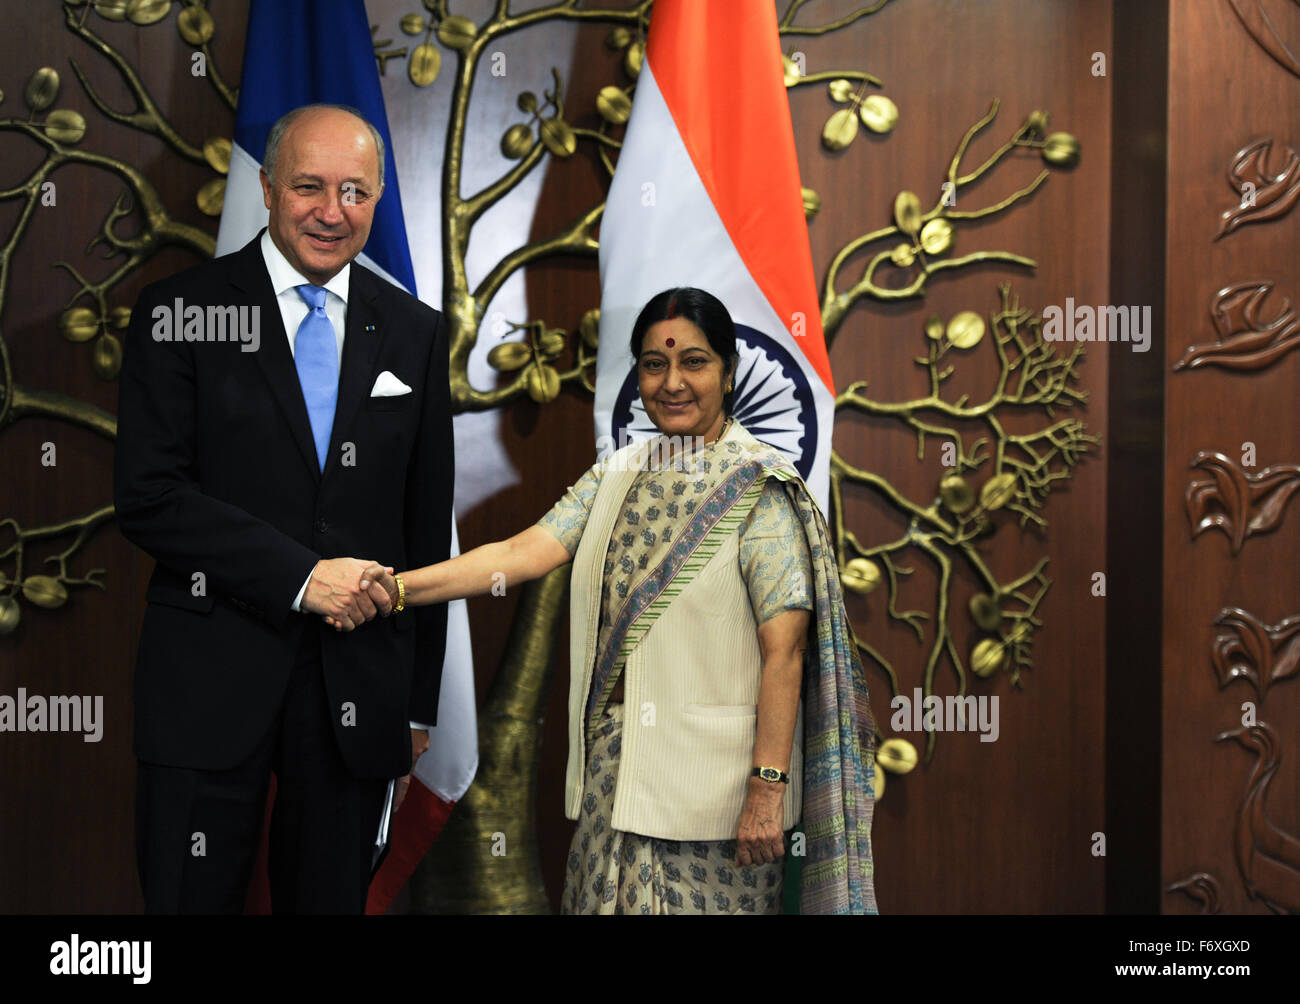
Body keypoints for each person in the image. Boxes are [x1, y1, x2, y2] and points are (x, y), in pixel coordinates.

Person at [344, 287, 877, 914]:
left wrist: (766, 788)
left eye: (694, 363)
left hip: (718, 797)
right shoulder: (617, 472)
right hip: (615, 778)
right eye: (654, 364)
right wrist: (397, 589)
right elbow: (517, 555)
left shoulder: (759, 487)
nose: (672, 382)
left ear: (729, 374)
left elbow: (784, 654)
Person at [113, 103, 453, 914]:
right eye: (309, 186)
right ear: (266, 188)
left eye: (355, 192)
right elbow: (150, 498)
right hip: (207, 678)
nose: (332, 212)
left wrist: (414, 703)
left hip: (357, 686)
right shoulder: (179, 313)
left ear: (376, 200)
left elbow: (423, 525)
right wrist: (303, 578)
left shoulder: (413, 333)